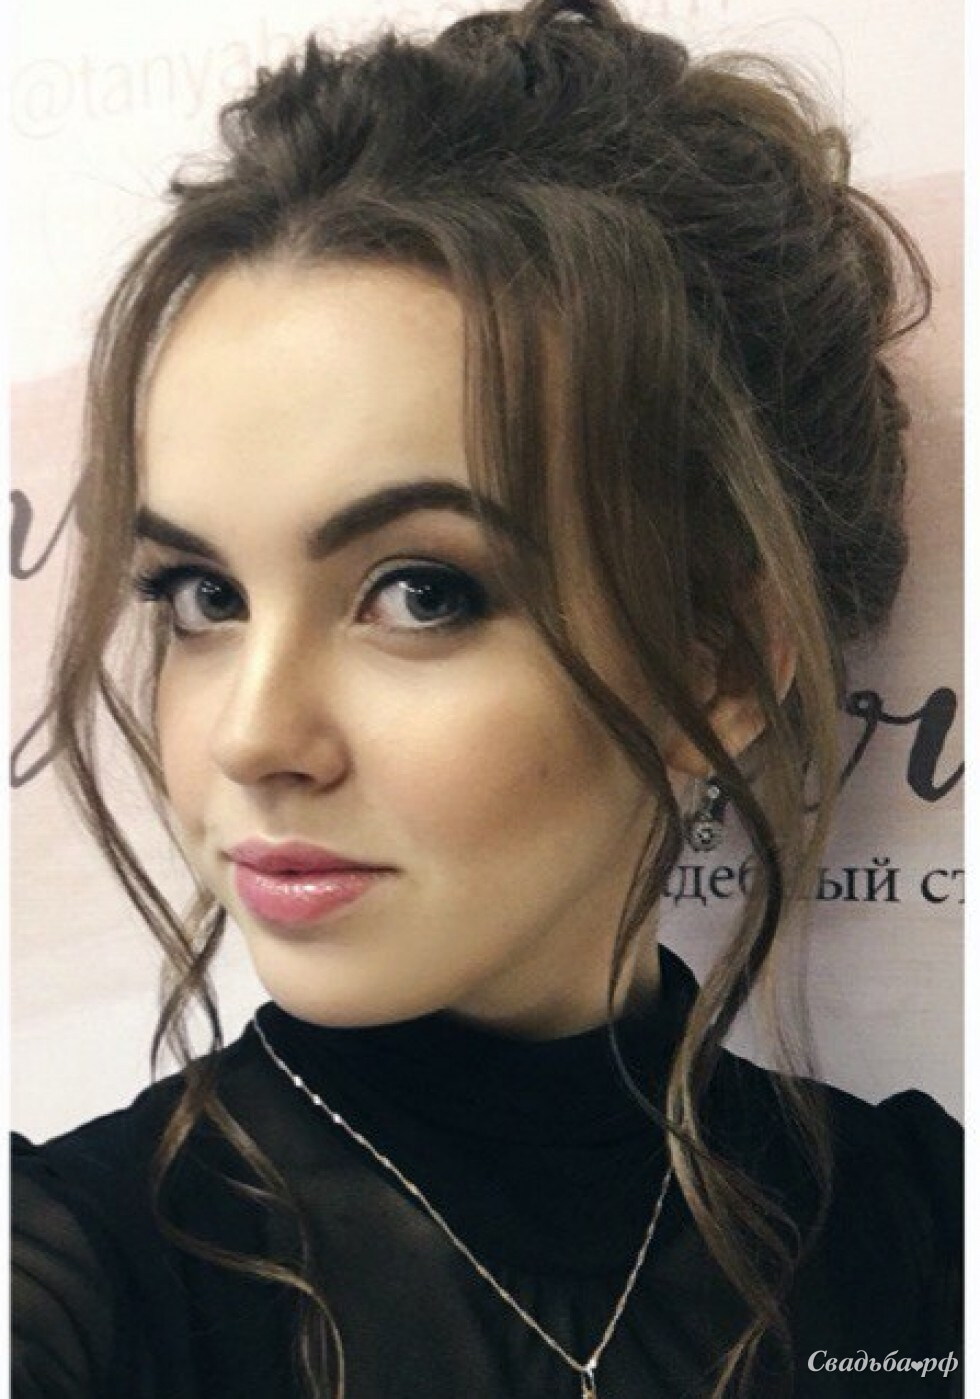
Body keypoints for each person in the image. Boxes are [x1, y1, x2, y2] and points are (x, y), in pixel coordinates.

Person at [11, 0, 963, 1395]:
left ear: (721, 662)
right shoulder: (73, 1278)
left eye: (419, 592)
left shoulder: (921, 1238)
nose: (254, 738)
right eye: (203, 596)